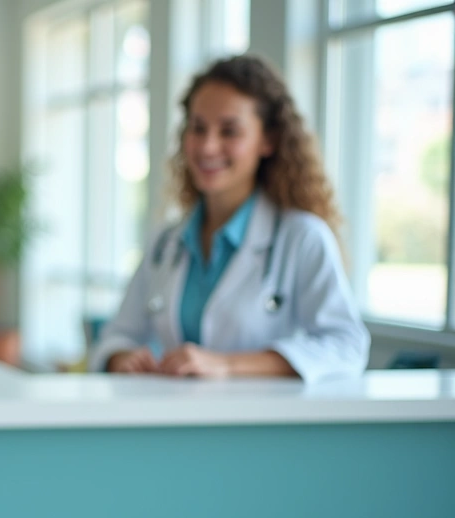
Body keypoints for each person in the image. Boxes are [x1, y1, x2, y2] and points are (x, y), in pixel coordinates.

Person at [89, 55, 369, 382]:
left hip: (262, 428)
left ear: (268, 140)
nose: (208, 147)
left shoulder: (302, 237)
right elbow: (117, 334)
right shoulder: (166, 242)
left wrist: (226, 365)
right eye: (198, 128)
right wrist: (122, 357)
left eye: (229, 131)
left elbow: (346, 346)